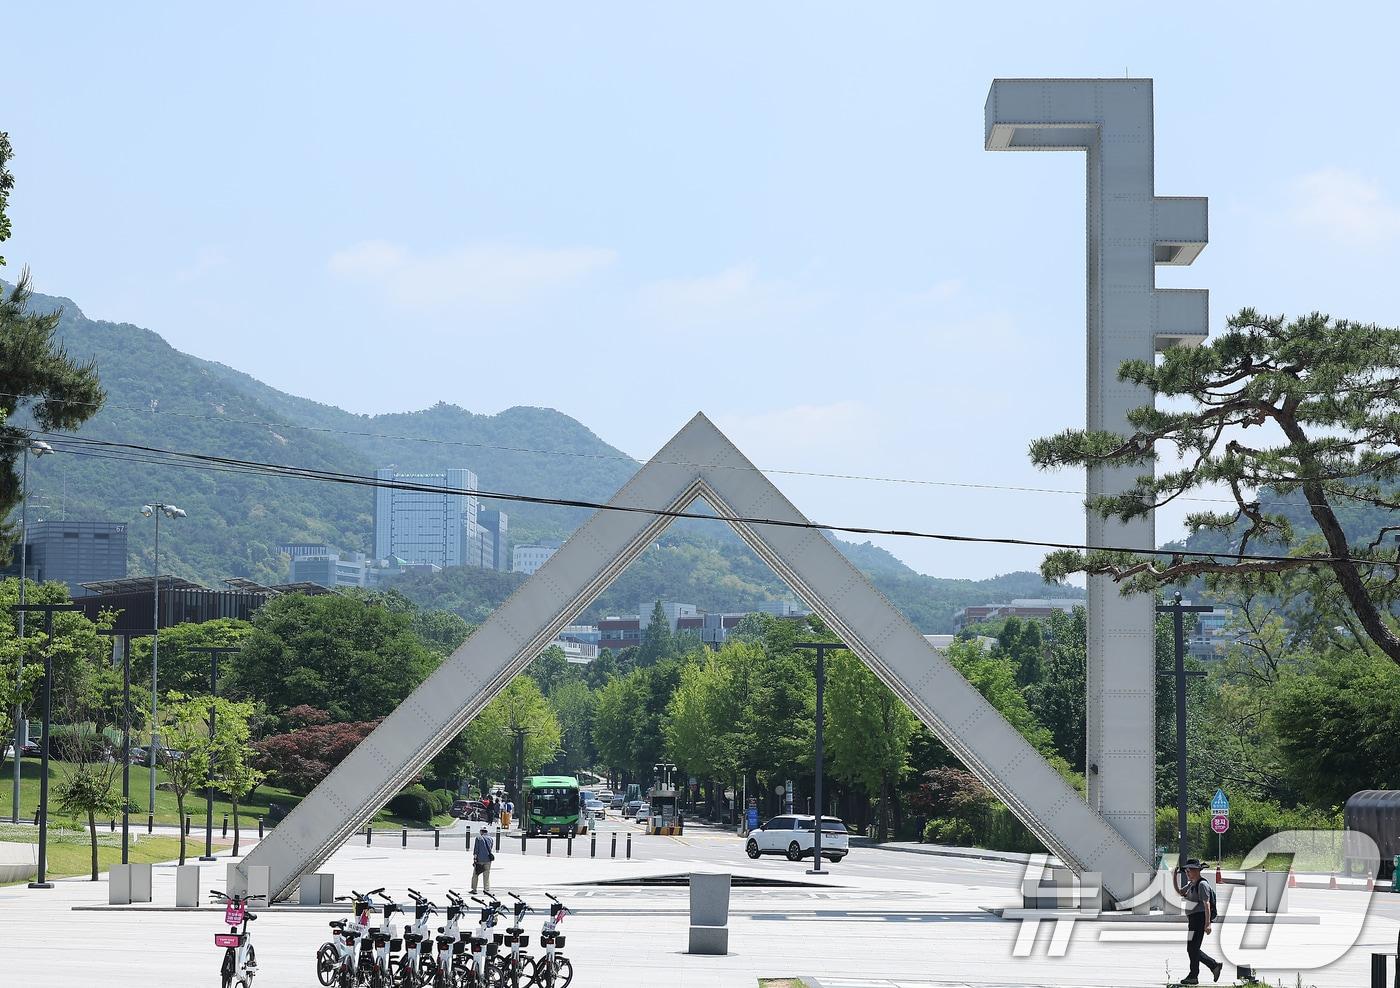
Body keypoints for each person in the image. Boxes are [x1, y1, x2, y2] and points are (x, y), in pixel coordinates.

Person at [1176, 858, 1223, 984]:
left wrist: (1207, 924)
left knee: (1193, 948)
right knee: (1192, 948)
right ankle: (1210, 967)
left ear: (1197, 871)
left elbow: (1206, 904)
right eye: (1186, 870)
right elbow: (1180, 892)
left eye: (1189, 870)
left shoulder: (1202, 885)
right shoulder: (1192, 884)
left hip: (1199, 919)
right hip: (1193, 919)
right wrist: (1173, 877)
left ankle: (1196, 974)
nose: (1187, 872)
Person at [470, 825, 495, 894]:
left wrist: (475, 858)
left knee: (475, 874)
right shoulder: (490, 838)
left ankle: (474, 889)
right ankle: (486, 889)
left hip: (479, 860)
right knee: (486, 875)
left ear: (481, 831)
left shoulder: (478, 838)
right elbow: (490, 848)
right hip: (488, 860)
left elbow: (476, 850)